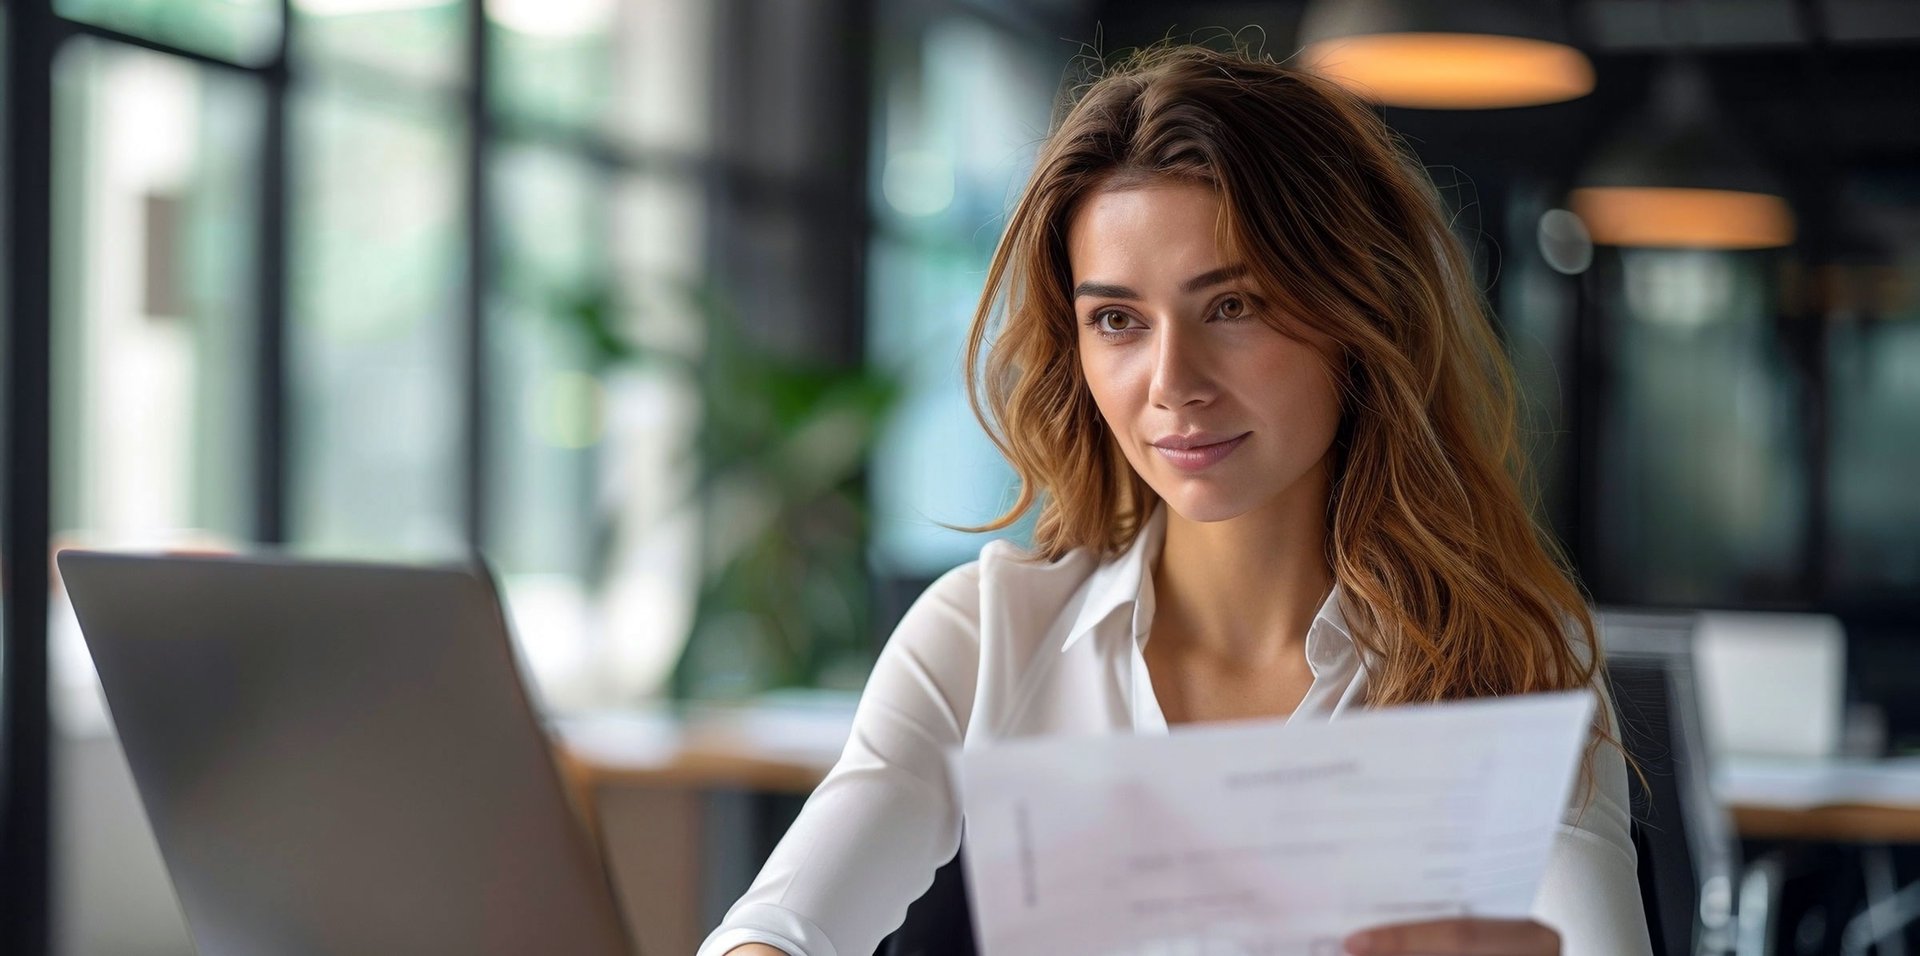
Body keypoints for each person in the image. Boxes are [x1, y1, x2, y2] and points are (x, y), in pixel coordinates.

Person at [700, 40, 1652, 956]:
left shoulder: (1508, 661)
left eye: (1232, 306)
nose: (1172, 384)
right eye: (1118, 319)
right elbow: (778, 928)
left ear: (1359, 315)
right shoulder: (987, 637)